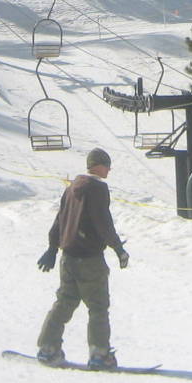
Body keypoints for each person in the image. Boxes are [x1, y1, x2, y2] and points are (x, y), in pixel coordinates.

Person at [36, 147, 129, 370]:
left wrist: (52, 248)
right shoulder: (97, 188)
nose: (109, 170)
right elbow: (103, 221)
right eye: (107, 165)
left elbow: (60, 219)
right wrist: (118, 249)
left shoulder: (71, 188)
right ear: (98, 165)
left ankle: (48, 348)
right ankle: (99, 354)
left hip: (68, 258)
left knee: (65, 302)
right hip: (89, 258)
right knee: (98, 307)